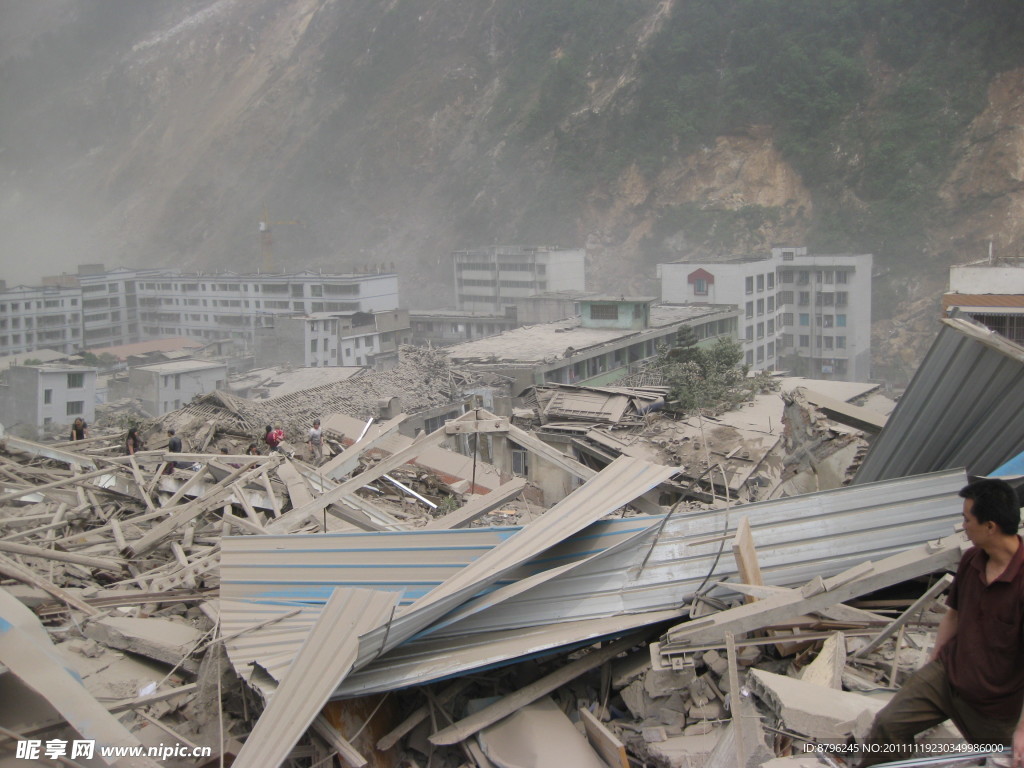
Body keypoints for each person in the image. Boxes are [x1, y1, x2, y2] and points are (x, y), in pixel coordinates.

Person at [860, 478, 1024, 766]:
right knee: (888, 725)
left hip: (994, 705)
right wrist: (935, 660)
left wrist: (1022, 730)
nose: (963, 526)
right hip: (947, 676)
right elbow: (954, 614)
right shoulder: (972, 559)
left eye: (967, 519)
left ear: (990, 526)